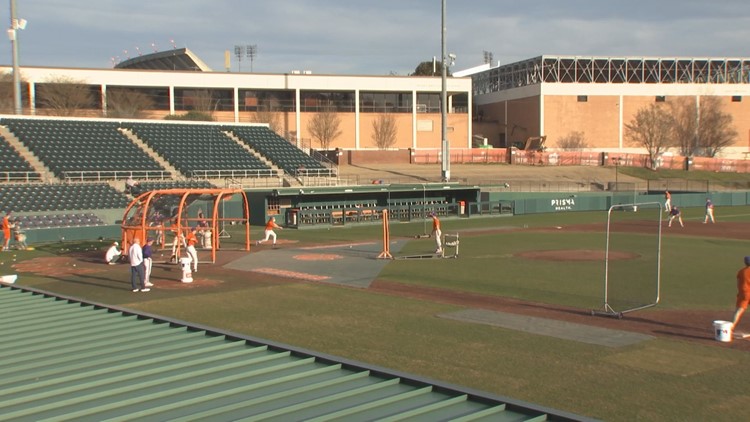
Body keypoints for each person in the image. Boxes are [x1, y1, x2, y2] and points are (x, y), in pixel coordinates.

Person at [732, 256, 750, 331]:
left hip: (743, 293)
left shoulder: (741, 271)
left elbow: (738, 283)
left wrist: (740, 292)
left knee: (738, 311)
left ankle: (731, 327)